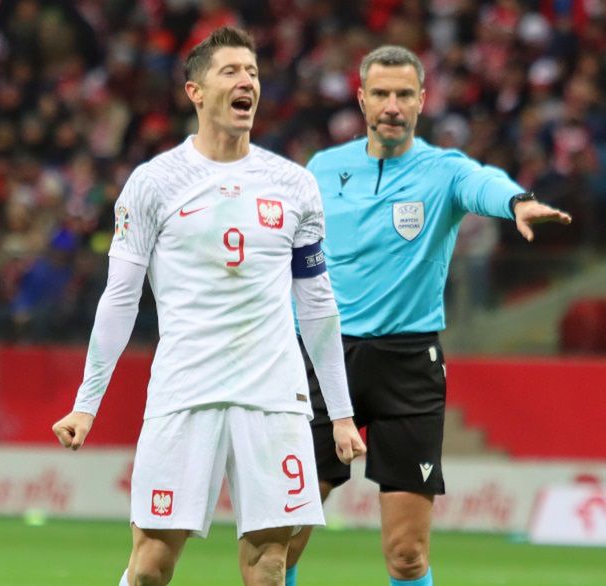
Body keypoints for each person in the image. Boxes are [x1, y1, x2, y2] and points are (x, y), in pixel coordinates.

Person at [50, 27, 365, 586]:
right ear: (195, 92)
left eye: (253, 72)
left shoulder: (293, 185)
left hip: (273, 395)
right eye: (231, 71)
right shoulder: (153, 184)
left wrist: (340, 414)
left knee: (269, 565)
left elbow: (318, 305)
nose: (247, 82)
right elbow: (120, 298)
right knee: (151, 566)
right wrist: (85, 404)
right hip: (185, 389)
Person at [285, 46, 572, 586]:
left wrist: (518, 202)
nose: (392, 106)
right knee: (282, 538)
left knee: (407, 554)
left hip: (408, 362)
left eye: (403, 94)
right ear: (362, 99)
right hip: (322, 359)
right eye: (380, 94)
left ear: (422, 99)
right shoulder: (322, 169)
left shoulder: (443, 171)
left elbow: (483, 184)